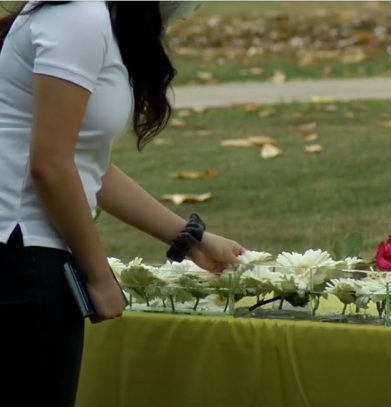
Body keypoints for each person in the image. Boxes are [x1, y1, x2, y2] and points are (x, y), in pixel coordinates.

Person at [0, 2, 245, 406]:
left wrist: (192, 238)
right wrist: (98, 275)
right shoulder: (78, 16)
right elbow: (51, 166)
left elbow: (86, 165)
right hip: (22, 258)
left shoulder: (87, 16)